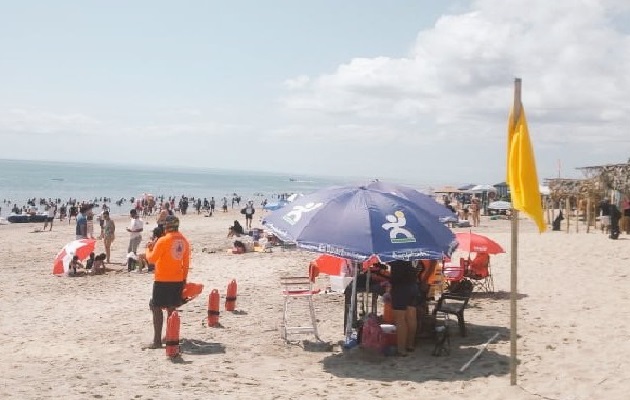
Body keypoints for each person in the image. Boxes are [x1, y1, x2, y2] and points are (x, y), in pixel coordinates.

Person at [145, 215, 190, 349]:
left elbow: (152, 259)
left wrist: (148, 249)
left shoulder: (163, 240)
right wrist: (184, 280)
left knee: (156, 307)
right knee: (171, 308)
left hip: (162, 280)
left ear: (166, 226)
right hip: (177, 280)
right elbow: (186, 263)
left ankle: (157, 342)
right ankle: (169, 337)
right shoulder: (184, 241)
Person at [387, 259, 419, 357]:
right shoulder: (414, 249)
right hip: (413, 285)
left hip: (401, 287)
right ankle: (410, 345)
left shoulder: (398, 252)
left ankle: (401, 349)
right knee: (411, 317)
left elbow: (395, 272)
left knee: (400, 319)